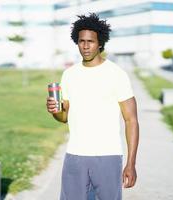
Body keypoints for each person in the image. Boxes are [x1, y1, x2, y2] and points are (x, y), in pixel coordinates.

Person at [46, 13, 139, 200]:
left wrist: (130, 163)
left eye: (91, 41)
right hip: (75, 156)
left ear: (100, 43)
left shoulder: (116, 74)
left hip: (108, 156)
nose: (86, 46)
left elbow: (131, 120)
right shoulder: (69, 75)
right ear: (77, 42)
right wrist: (55, 111)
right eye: (82, 41)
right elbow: (64, 118)